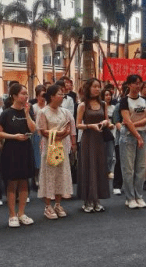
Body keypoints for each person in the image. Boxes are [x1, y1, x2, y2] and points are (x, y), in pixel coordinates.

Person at [0, 83, 36, 228]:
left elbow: (34, 129)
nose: (26, 96)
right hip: (11, 149)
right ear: (14, 96)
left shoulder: (28, 111)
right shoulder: (6, 113)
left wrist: (27, 114)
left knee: (24, 181)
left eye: (26, 94)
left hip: (25, 148)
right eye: (23, 94)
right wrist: (14, 136)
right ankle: (12, 214)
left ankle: (22, 213)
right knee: (12, 182)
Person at [37, 85, 76, 220]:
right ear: (52, 96)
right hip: (49, 147)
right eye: (59, 94)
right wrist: (59, 133)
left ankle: (58, 204)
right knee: (49, 174)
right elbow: (43, 131)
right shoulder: (43, 112)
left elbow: (69, 129)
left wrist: (64, 136)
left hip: (62, 146)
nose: (62, 97)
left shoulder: (65, 112)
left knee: (61, 174)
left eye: (63, 95)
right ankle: (48, 206)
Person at [76, 78, 110, 212]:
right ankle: (88, 200)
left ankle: (97, 200)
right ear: (88, 88)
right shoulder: (82, 105)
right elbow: (78, 125)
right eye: (94, 86)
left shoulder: (103, 104)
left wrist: (105, 123)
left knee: (99, 167)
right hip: (88, 138)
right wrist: (91, 126)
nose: (97, 89)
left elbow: (107, 120)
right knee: (88, 167)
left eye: (99, 86)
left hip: (100, 139)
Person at [119, 75, 146, 210]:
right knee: (128, 169)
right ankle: (130, 198)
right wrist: (137, 135)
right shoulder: (124, 101)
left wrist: (133, 125)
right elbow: (126, 119)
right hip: (128, 136)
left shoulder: (144, 100)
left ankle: (139, 196)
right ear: (129, 85)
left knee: (141, 167)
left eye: (140, 83)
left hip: (142, 133)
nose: (138, 86)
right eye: (135, 83)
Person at [31, 85, 47, 190]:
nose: (43, 98)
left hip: (46, 134)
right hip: (36, 134)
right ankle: (36, 178)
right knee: (37, 157)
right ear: (37, 97)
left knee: (45, 157)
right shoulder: (34, 107)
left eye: (45, 95)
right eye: (41, 95)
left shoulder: (48, 106)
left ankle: (44, 179)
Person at [102, 88, 116, 179]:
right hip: (102, 131)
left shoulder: (113, 107)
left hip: (112, 131)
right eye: (106, 95)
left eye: (109, 95)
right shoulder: (100, 107)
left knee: (110, 154)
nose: (108, 97)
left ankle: (109, 170)